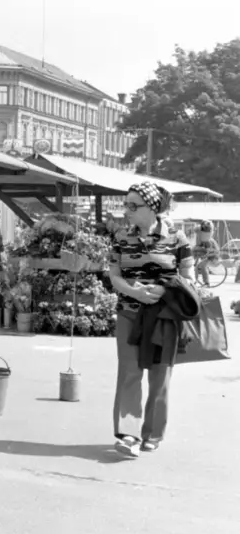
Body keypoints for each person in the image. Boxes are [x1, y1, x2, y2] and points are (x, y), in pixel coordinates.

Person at [108, 183, 197, 457]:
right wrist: (134, 291)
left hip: (165, 317)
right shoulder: (121, 237)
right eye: (126, 204)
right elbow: (114, 276)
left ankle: (153, 434)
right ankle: (128, 435)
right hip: (129, 314)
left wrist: (164, 290)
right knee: (130, 373)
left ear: (153, 208)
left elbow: (190, 279)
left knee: (160, 377)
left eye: (134, 206)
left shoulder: (178, 239)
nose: (127, 211)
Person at [192, 221, 220, 286]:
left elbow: (212, 251)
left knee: (203, 266)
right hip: (208, 255)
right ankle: (195, 281)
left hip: (212, 256)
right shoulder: (202, 239)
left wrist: (203, 254)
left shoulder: (208, 241)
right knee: (195, 266)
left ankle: (206, 282)